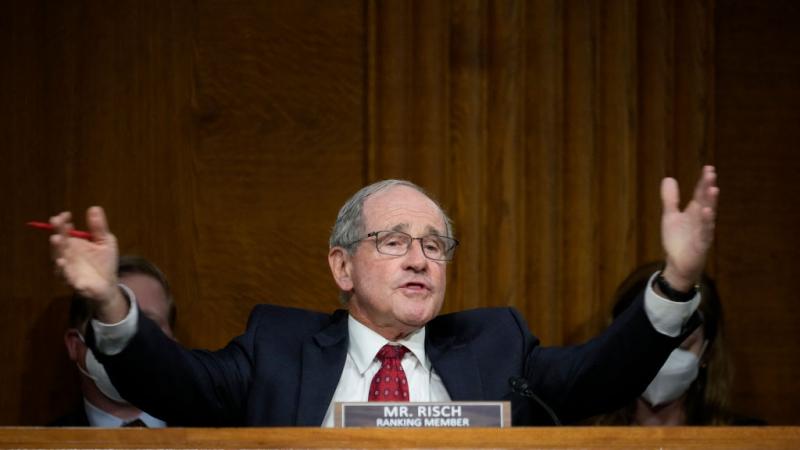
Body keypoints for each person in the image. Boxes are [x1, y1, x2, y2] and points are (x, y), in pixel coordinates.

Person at [47, 166, 719, 426]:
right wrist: (110, 304)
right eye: (394, 242)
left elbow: (600, 375)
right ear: (342, 266)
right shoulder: (277, 348)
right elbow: (175, 385)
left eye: (435, 244)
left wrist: (677, 283)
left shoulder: (496, 345)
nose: (420, 258)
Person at [591, 262, 764, 426]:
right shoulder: (579, 439)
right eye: (647, 344)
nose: (662, 360)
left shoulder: (748, 441)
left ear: (707, 351)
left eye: (681, 345)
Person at [52, 255, 177, 427]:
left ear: (174, 343)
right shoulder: (37, 445)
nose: (131, 344)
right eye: (110, 325)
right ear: (74, 344)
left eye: (149, 325)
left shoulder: (218, 439)